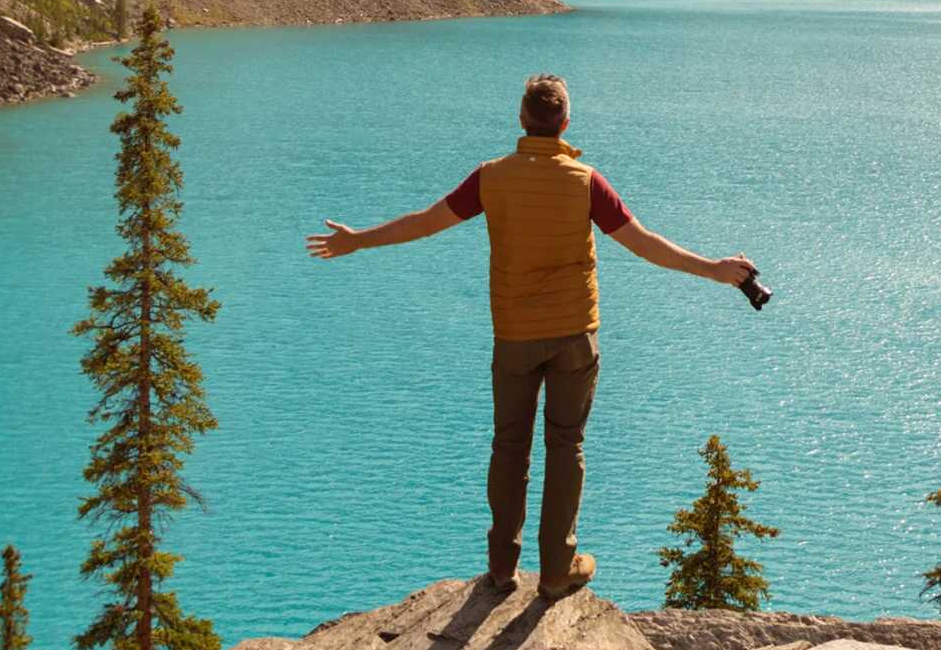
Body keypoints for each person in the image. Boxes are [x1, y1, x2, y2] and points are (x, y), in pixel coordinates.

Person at [304, 72, 755, 600]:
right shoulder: (586, 180)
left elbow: (425, 223)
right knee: (566, 446)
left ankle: (501, 569)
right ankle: (558, 569)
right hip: (574, 337)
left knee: (509, 446)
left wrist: (359, 241)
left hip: (515, 336)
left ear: (522, 121)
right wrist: (715, 269)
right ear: (565, 123)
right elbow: (645, 244)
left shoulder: (491, 177)